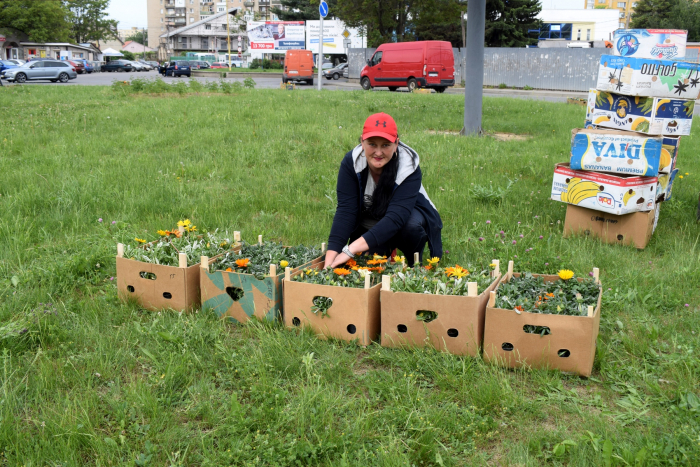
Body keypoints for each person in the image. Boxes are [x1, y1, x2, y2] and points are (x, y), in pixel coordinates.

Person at [325, 112, 442, 268]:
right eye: (372, 144)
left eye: (385, 145)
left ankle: (414, 266)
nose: (378, 152)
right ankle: (385, 251)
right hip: (371, 217)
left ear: (396, 144)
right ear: (362, 142)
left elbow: (396, 218)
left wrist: (349, 250)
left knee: (411, 227)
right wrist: (329, 263)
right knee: (367, 265)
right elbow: (346, 212)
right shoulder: (351, 163)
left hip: (406, 217)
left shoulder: (409, 167)